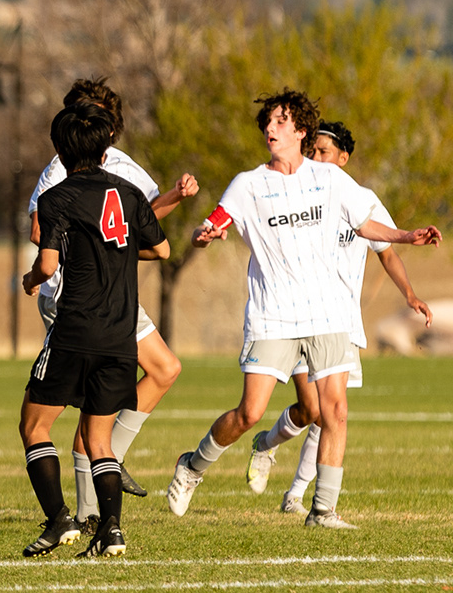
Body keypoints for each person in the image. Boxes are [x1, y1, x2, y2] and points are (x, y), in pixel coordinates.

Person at [166, 92, 440, 528]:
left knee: (334, 411)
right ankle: (192, 465)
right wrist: (205, 234)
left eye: (280, 121)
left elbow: (365, 224)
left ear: (300, 130)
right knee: (249, 413)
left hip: (328, 314)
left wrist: (406, 236)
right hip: (273, 315)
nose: (270, 129)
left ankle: (322, 510)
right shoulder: (249, 183)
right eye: (267, 122)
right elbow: (216, 220)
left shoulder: (329, 179)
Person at [26, 79, 199, 523]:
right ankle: (93, 504)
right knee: (88, 410)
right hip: (72, 294)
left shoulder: (123, 165)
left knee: (163, 369)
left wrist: (176, 197)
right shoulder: (59, 168)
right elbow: (41, 230)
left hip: (110, 290)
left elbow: (140, 218)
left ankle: (107, 462)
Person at [241, 120, 434, 514]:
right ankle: (266, 444)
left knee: (329, 412)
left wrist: (410, 294)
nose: (315, 157)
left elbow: (387, 251)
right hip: (297, 316)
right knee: (313, 408)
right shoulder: (296, 195)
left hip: (341, 322)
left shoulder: (362, 200)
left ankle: (296, 496)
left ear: (343, 158)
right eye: (311, 150)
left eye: (323, 152)